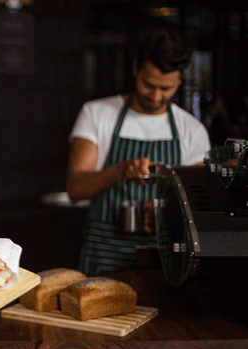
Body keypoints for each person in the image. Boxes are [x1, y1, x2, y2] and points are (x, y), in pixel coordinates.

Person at [66, 28, 210, 276]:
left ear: (181, 78)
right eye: (148, 84)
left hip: (164, 265)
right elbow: (75, 188)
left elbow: (200, 208)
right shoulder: (97, 114)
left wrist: (166, 216)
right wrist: (120, 170)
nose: (155, 96)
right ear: (135, 68)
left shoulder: (192, 131)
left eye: (166, 89)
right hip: (103, 258)